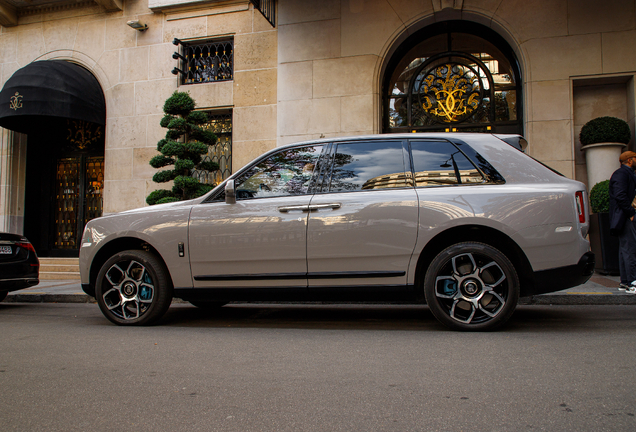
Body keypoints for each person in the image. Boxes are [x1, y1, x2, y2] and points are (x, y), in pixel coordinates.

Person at [609, 150, 636, 293]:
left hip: (624, 216)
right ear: (630, 161)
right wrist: (630, 213)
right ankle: (632, 283)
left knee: (625, 249)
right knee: (629, 249)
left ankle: (625, 282)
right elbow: (620, 195)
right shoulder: (622, 174)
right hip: (624, 216)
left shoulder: (627, 174)